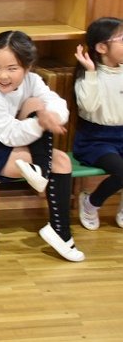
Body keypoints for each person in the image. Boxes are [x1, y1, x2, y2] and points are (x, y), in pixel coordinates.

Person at [0, 30, 85, 262]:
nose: (2, 75)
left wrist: (50, 116)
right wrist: (40, 121)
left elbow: (56, 102)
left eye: (12, 68)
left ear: (28, 67)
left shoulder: (33, 80)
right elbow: (9, 135)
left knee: (61, 157)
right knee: (40, 116)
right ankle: (41, 171)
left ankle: (59, 229)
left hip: (18, 136)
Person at [73, 17, 123, 230]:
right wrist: (91, 73)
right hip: (95, 140)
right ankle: (91, 203)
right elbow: (89, 107)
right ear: (102, 47)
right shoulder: (88, 77)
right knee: (122, 172)